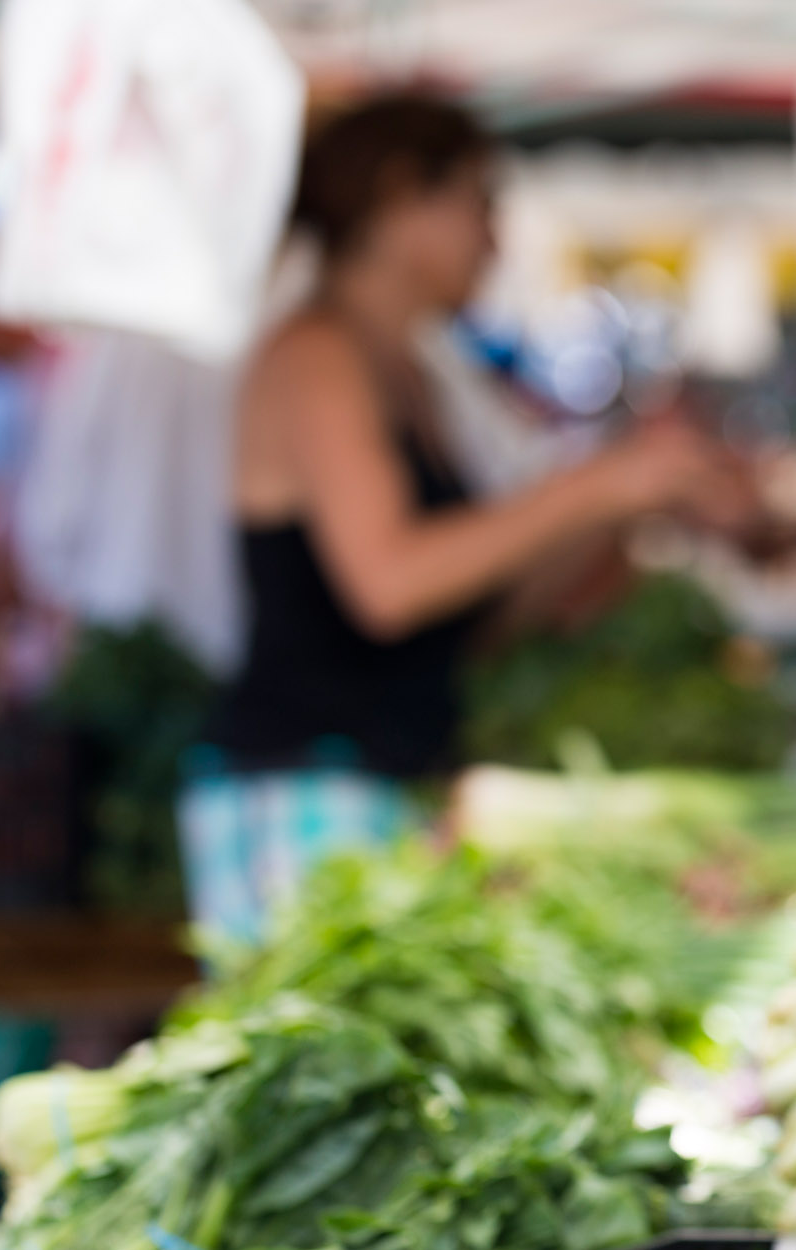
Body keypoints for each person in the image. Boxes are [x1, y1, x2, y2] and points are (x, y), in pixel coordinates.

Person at [203, 94, 743, 779]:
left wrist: (617, 507)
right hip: (307, 779)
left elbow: (475, 625)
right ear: (399, 196)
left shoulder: (414, 366)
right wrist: (597, 485)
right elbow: (390, 586)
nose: (494, 240)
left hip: (395, 773)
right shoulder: (317, 357)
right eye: (479, 204)